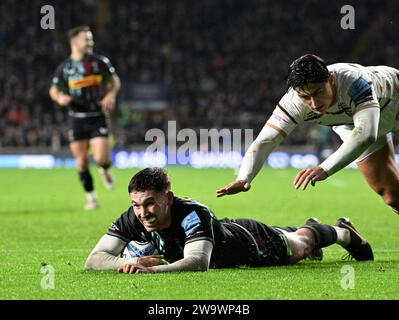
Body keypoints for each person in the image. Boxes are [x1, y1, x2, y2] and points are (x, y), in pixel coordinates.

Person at [84, 167, 373, 274]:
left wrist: (155, 270)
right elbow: (94, 259)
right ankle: (295, 231)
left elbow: (199, 262)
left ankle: (343, 232)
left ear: (168, 198)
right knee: (296, 239)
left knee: (302, 244)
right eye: (136, 205)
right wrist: (129, 264)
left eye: (150, 203)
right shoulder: (133, 216)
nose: (143, 213)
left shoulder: (193, 213)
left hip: (249, 243)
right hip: (220, 234)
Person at [217, 54, 399, 215]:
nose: (313, 103)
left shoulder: (353, 81)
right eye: (305, 97)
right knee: (392, 196)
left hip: (392, 105)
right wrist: (243, 178)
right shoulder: (293, 102)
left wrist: (324, 168)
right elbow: (266, 141)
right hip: (351, 122)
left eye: (318, 92)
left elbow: (366, 134)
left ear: (330, 79)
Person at [49, 26, 121, 210]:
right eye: (86, 39)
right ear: (74, 43)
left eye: (91, 39)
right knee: (81, 161)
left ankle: (104, 169)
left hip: (97, 116)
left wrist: (111, 95)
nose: (91, 42)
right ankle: (92, 198)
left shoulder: (100, 63)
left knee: (102, 159)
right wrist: (60, 98)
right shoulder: (65, 68)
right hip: (76, 118)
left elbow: (114, 80)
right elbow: (54, 90)